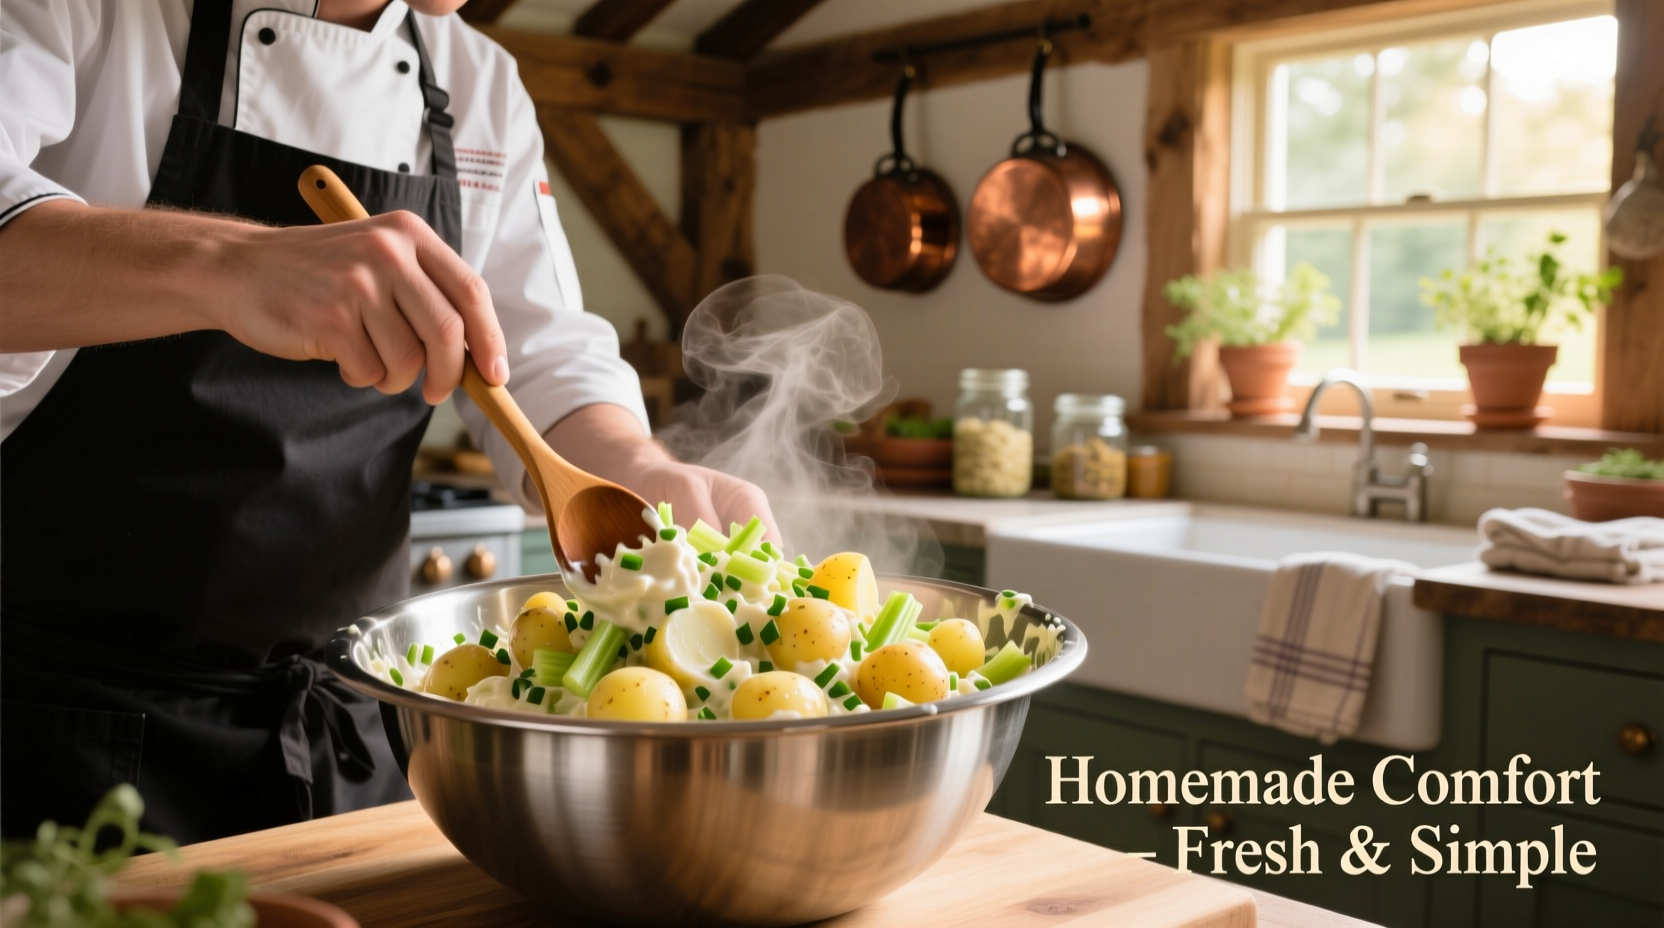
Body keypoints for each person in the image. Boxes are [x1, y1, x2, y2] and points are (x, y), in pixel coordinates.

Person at [0, 0, 775, 843]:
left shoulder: (476, 79)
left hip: (356, 732)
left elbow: (539, 353)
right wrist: (229, 263)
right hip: (59, 730)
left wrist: (636, 464)